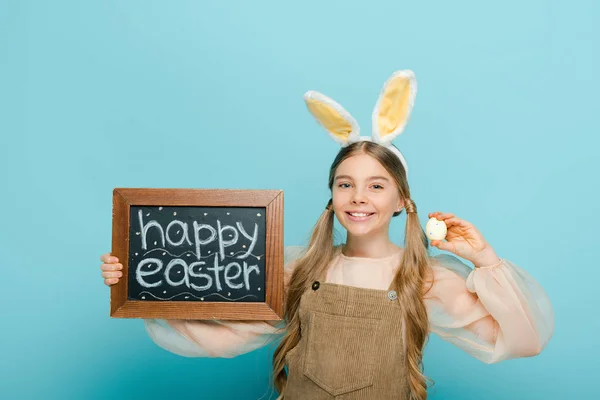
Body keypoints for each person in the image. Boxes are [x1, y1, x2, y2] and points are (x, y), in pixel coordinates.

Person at [99, 70, 554, 399]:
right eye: (345, 184)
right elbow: (220, 339)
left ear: (401, 200)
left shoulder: (425, 279)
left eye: (377, 186)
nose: (359, 197)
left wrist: (486, 260)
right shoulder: (302, 269)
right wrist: (141, 285)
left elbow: (522, 340)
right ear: (332, 195)